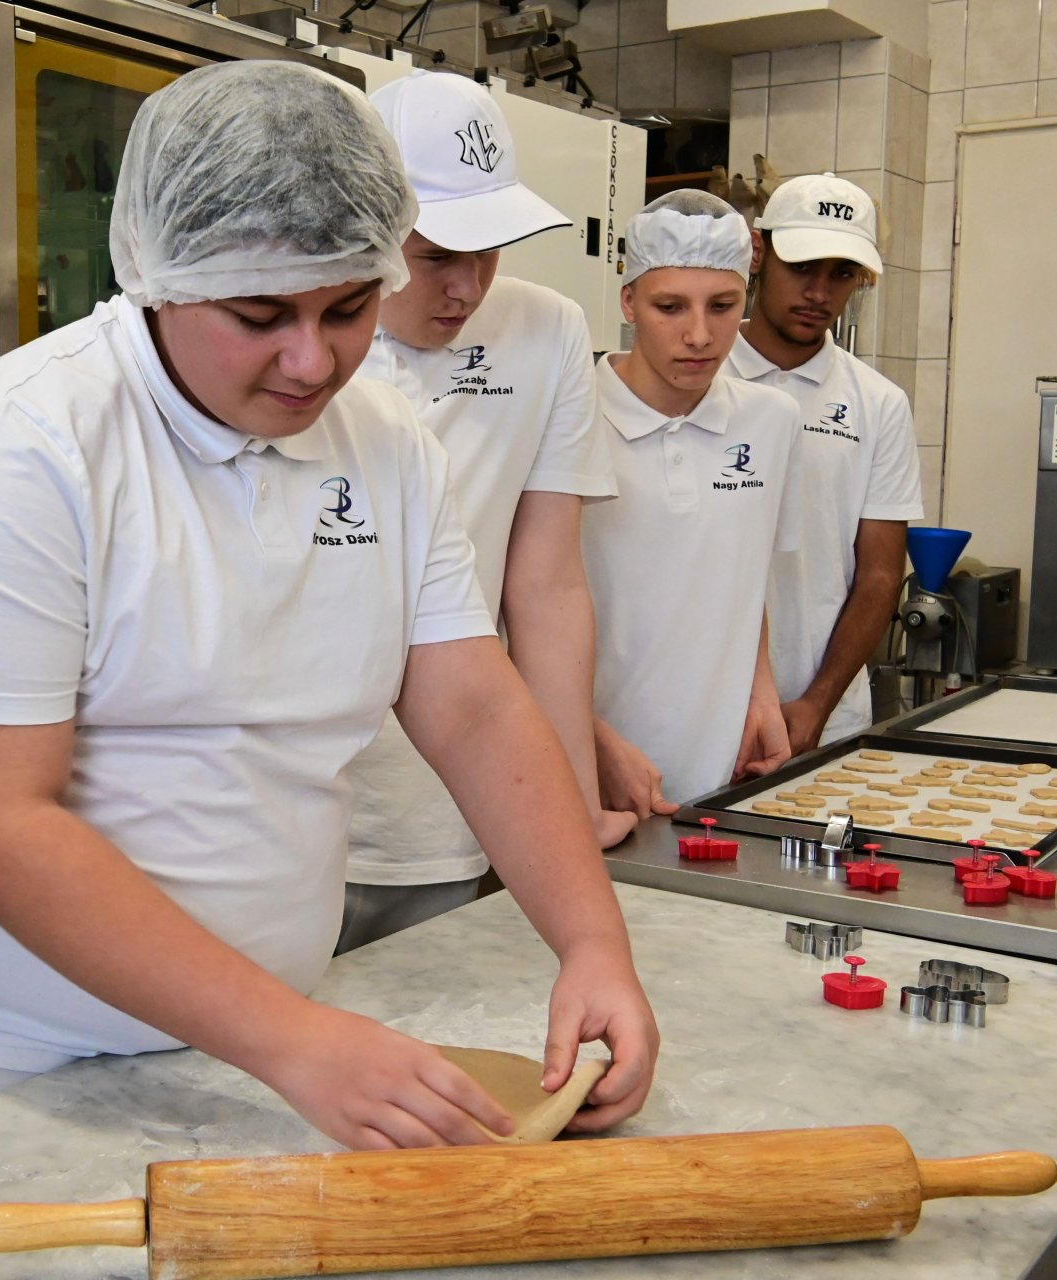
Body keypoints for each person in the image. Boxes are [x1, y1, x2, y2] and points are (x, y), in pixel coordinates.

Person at [0, 60, 657, 1152]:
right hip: (0, 1052)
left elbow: (470, 703)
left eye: (350, 306)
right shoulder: (24, 444)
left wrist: (592, 939)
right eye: (260, 313)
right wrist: (295, 1039)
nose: (312, 360)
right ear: (159, 277)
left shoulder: (386, 440)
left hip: (246, 1045)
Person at [336, 70, 627, 955]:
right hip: (303, 807)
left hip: (452, 804)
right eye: (434, 257)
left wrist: (569, 798)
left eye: (488, 250)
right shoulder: (300, 345)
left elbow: (545, 585)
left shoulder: (547, 332)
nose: (466, 287)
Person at [585, 191, 800, 817]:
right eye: (669, 306)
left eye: (723, 306)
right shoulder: (569, 419)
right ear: (628, 300)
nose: (700, 335)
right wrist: (591, 741)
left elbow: (745, 576)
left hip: (726, 774)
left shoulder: (772, 421)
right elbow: (521, 609)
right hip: (592, 773)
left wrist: (762, 695)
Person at [724, 172, 924, 753]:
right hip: (700, 703)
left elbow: (881, 574)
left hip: (821, 714)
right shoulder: (696, 378)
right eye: (803, 267)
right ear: (758, 253)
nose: (819, 292)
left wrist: (817, 702)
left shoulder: (878, 403)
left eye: (842, 274)